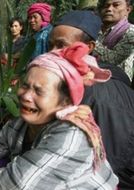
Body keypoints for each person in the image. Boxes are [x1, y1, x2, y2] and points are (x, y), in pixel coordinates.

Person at [0, 43, 118, 190]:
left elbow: (14, 184)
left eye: (39, 91)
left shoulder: (71, 137)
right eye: (25, 86)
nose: (26, 96)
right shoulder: (21, 123)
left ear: (65, 102)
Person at [50, 10, 134, 189]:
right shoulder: (88, 77)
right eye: (50, 45)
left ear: (89, 47)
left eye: (61, 45)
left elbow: (108, 163)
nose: (52, 53)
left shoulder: (94, 91)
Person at [94, 0, 134, 81]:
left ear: (128, 10)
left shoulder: (131, 31)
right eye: (106, 6)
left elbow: (114, 59)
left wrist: (90, 42)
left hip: (117, 83)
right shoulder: (96, 29)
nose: (109, 9)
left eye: (116, 5)